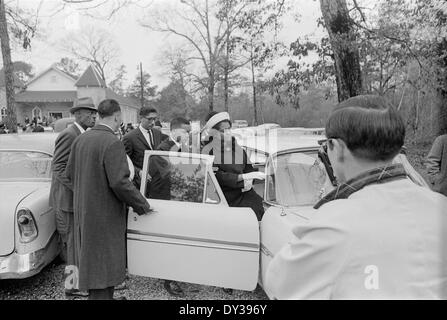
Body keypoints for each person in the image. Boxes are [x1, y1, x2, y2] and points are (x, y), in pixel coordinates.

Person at [265, 95, 447, 299]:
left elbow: (279, 283)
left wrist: (330, 197)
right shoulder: (440, 206)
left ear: (336, 147)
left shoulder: (334, 222)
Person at [66, 99, 152, 300]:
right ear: (116, 116)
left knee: (93, 266)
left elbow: (69, 174)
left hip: (85, 212)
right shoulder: (112, 141)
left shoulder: (81, 139)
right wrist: (143, 205)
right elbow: (119, 182)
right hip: (104, 217)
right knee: (104, 270)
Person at [49, 97, 97, 298]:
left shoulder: (82, 133)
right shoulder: (69, 134)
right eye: (89, 113)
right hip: (66, 201)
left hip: (74, 201)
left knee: (77, 244)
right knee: (71, 246)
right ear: (78, 114)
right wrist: (79, 189)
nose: (93, 116)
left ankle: (79, 283)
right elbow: (58, 168)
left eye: (94, 113)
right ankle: (71, 287)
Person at [146, 117, 191, 297]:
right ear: (174, 131)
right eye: (185, 132)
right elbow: (169, 174)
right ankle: (167, 279)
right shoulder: (162, 149)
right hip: (164, 199)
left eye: (189, 132)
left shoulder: (183, 148)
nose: (188, 135)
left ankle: (176, 274)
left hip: (178, 198)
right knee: (168, 240)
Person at [201, 111, 265, 221]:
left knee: (262, 210)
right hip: (225, 197)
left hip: (246, 193)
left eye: (229, 129)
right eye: (223, 131)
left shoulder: (238, 149)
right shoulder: (208, 151)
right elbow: (216, 175)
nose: (228, 133)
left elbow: (249, 169)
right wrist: (242, 178)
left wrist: (252, 179)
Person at [123, 107, 168, 188]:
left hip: (157, 183)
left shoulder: (157, 133)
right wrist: (139, 172)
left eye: (154, 119)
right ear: (141, 118)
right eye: (149, 119)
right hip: (139, 184)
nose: (153, 122)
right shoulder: (129, 137)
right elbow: (124, 161)